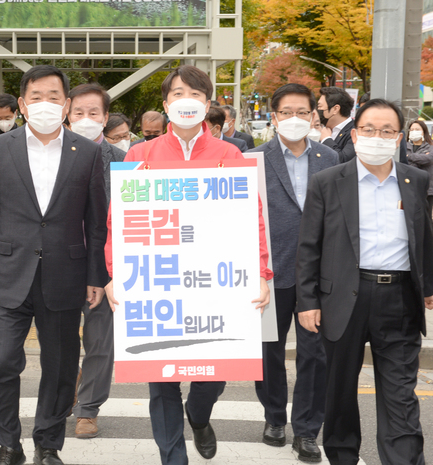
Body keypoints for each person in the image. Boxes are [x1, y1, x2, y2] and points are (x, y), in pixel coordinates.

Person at [105, 65, 273, 465]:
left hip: (214, 286)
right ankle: (173, 457)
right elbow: (120, 219)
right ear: (166, 104)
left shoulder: (229, 154)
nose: (187, 100)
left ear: (208, 103)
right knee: (161, 383)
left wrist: (262, 273)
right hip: (160, 284)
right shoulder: (140, 155)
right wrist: (115, 274)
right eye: (178, 93)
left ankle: (199, 414)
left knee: (213, 375)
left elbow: (254, 216)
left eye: (196, 94)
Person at [0, 65, 108, 465]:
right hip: (8, 274)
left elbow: (96, 220)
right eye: (36, 97)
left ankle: (48, 443)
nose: (45, 104)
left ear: (67, 104)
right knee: (1, 361)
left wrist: (95, 276)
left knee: (59, 367)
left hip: (66, 275)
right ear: (22, 104)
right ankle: (7, 443)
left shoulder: (88, 153)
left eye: (54, 97)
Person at [296, 99, 433, 465]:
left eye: (387, 131)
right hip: (343, 297)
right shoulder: (328, 181)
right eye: (371, 130)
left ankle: (404, 459)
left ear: (399, 137)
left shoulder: (415, 180)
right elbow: (309, 246)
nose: (378, 137)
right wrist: (307, 301)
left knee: (400, 394)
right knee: (340, 391)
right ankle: (343, 456)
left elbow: (423, 235)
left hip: (400, 299)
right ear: (356, 134)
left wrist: (431, 284)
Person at [248, 83, 338, 463]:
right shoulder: (252, 158)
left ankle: (306, 430)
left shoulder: (331, 159)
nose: (295, 119)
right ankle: (273, 417)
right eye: (287, 112)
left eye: (303, 112)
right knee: (268, 350)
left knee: (314, 355)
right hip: (271, 271)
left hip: (318, 276)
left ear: (314, 116)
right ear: (274, 116)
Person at [66, 83, 126, 439]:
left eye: (94, 113)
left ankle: (87, 410)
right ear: (67, 115)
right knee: (60, 342)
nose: (86, 120)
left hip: (106, 267)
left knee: (101, 342)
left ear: (105, 117)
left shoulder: (122, 161)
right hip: (60, 263)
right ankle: (65, 393)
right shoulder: (51, 156)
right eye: (79, 113)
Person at [406, 119, 433, 217]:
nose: (414, 131)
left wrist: (409, 157)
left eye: (417, 129)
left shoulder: (431, 147)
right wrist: (420, 159)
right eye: (411, 130)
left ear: (424, 131)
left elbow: (429, 159)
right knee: (410, 218)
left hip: (427, 190)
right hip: (408, 188)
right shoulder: (404, 146)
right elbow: (402, 162)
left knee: (426, 220)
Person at [317, 87, 356, 163]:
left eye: (320, 106)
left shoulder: (354, 131)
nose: (318, 110)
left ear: (335, 109)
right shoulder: (321, 129)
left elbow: (343, 159)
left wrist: (326, 140)